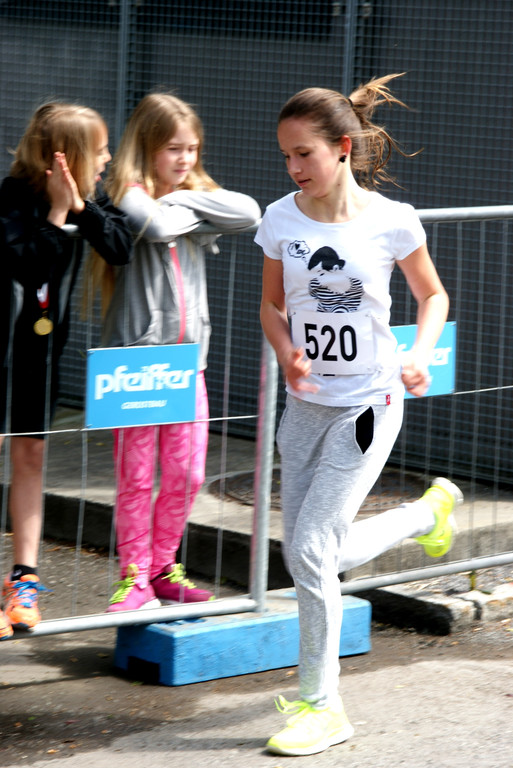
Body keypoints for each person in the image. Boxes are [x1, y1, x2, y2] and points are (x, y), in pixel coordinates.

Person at [255, 74, 463, 757]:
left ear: (342, 148)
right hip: (303, 409)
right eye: (286, 156)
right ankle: (424, 515)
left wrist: (420, 353)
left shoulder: (391, 220)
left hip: (368, 405)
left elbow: (432, 296)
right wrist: (286, 352)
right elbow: (272, 306)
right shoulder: (279, 219)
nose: (293, 168)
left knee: (310, 552)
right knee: (309, 554)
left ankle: (323, 706)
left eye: (304, 154)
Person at [92, 92, 260, 612]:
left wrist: (184, 200)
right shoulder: (126, 193)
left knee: (188, 474)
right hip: (137, 364)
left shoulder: (190, 193)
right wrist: (186, 209)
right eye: (173, 149)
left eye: (192, 149)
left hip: (189, 363)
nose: (185, 159)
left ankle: (163, 566)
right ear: (147, 147)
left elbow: (250, 212)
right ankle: (134, 576)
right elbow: (159, 226)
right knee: (137, 477)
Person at [0, 102, 133, 641]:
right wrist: (57, 214)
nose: (107, 159)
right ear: (66, 157)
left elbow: (119, 247)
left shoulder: (88, 199)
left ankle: (24, 583)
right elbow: (26, 263)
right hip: (2, 353)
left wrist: (81, 206)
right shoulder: (11, 198)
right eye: (98, 150)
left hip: (40, 354)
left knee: (31, 456)